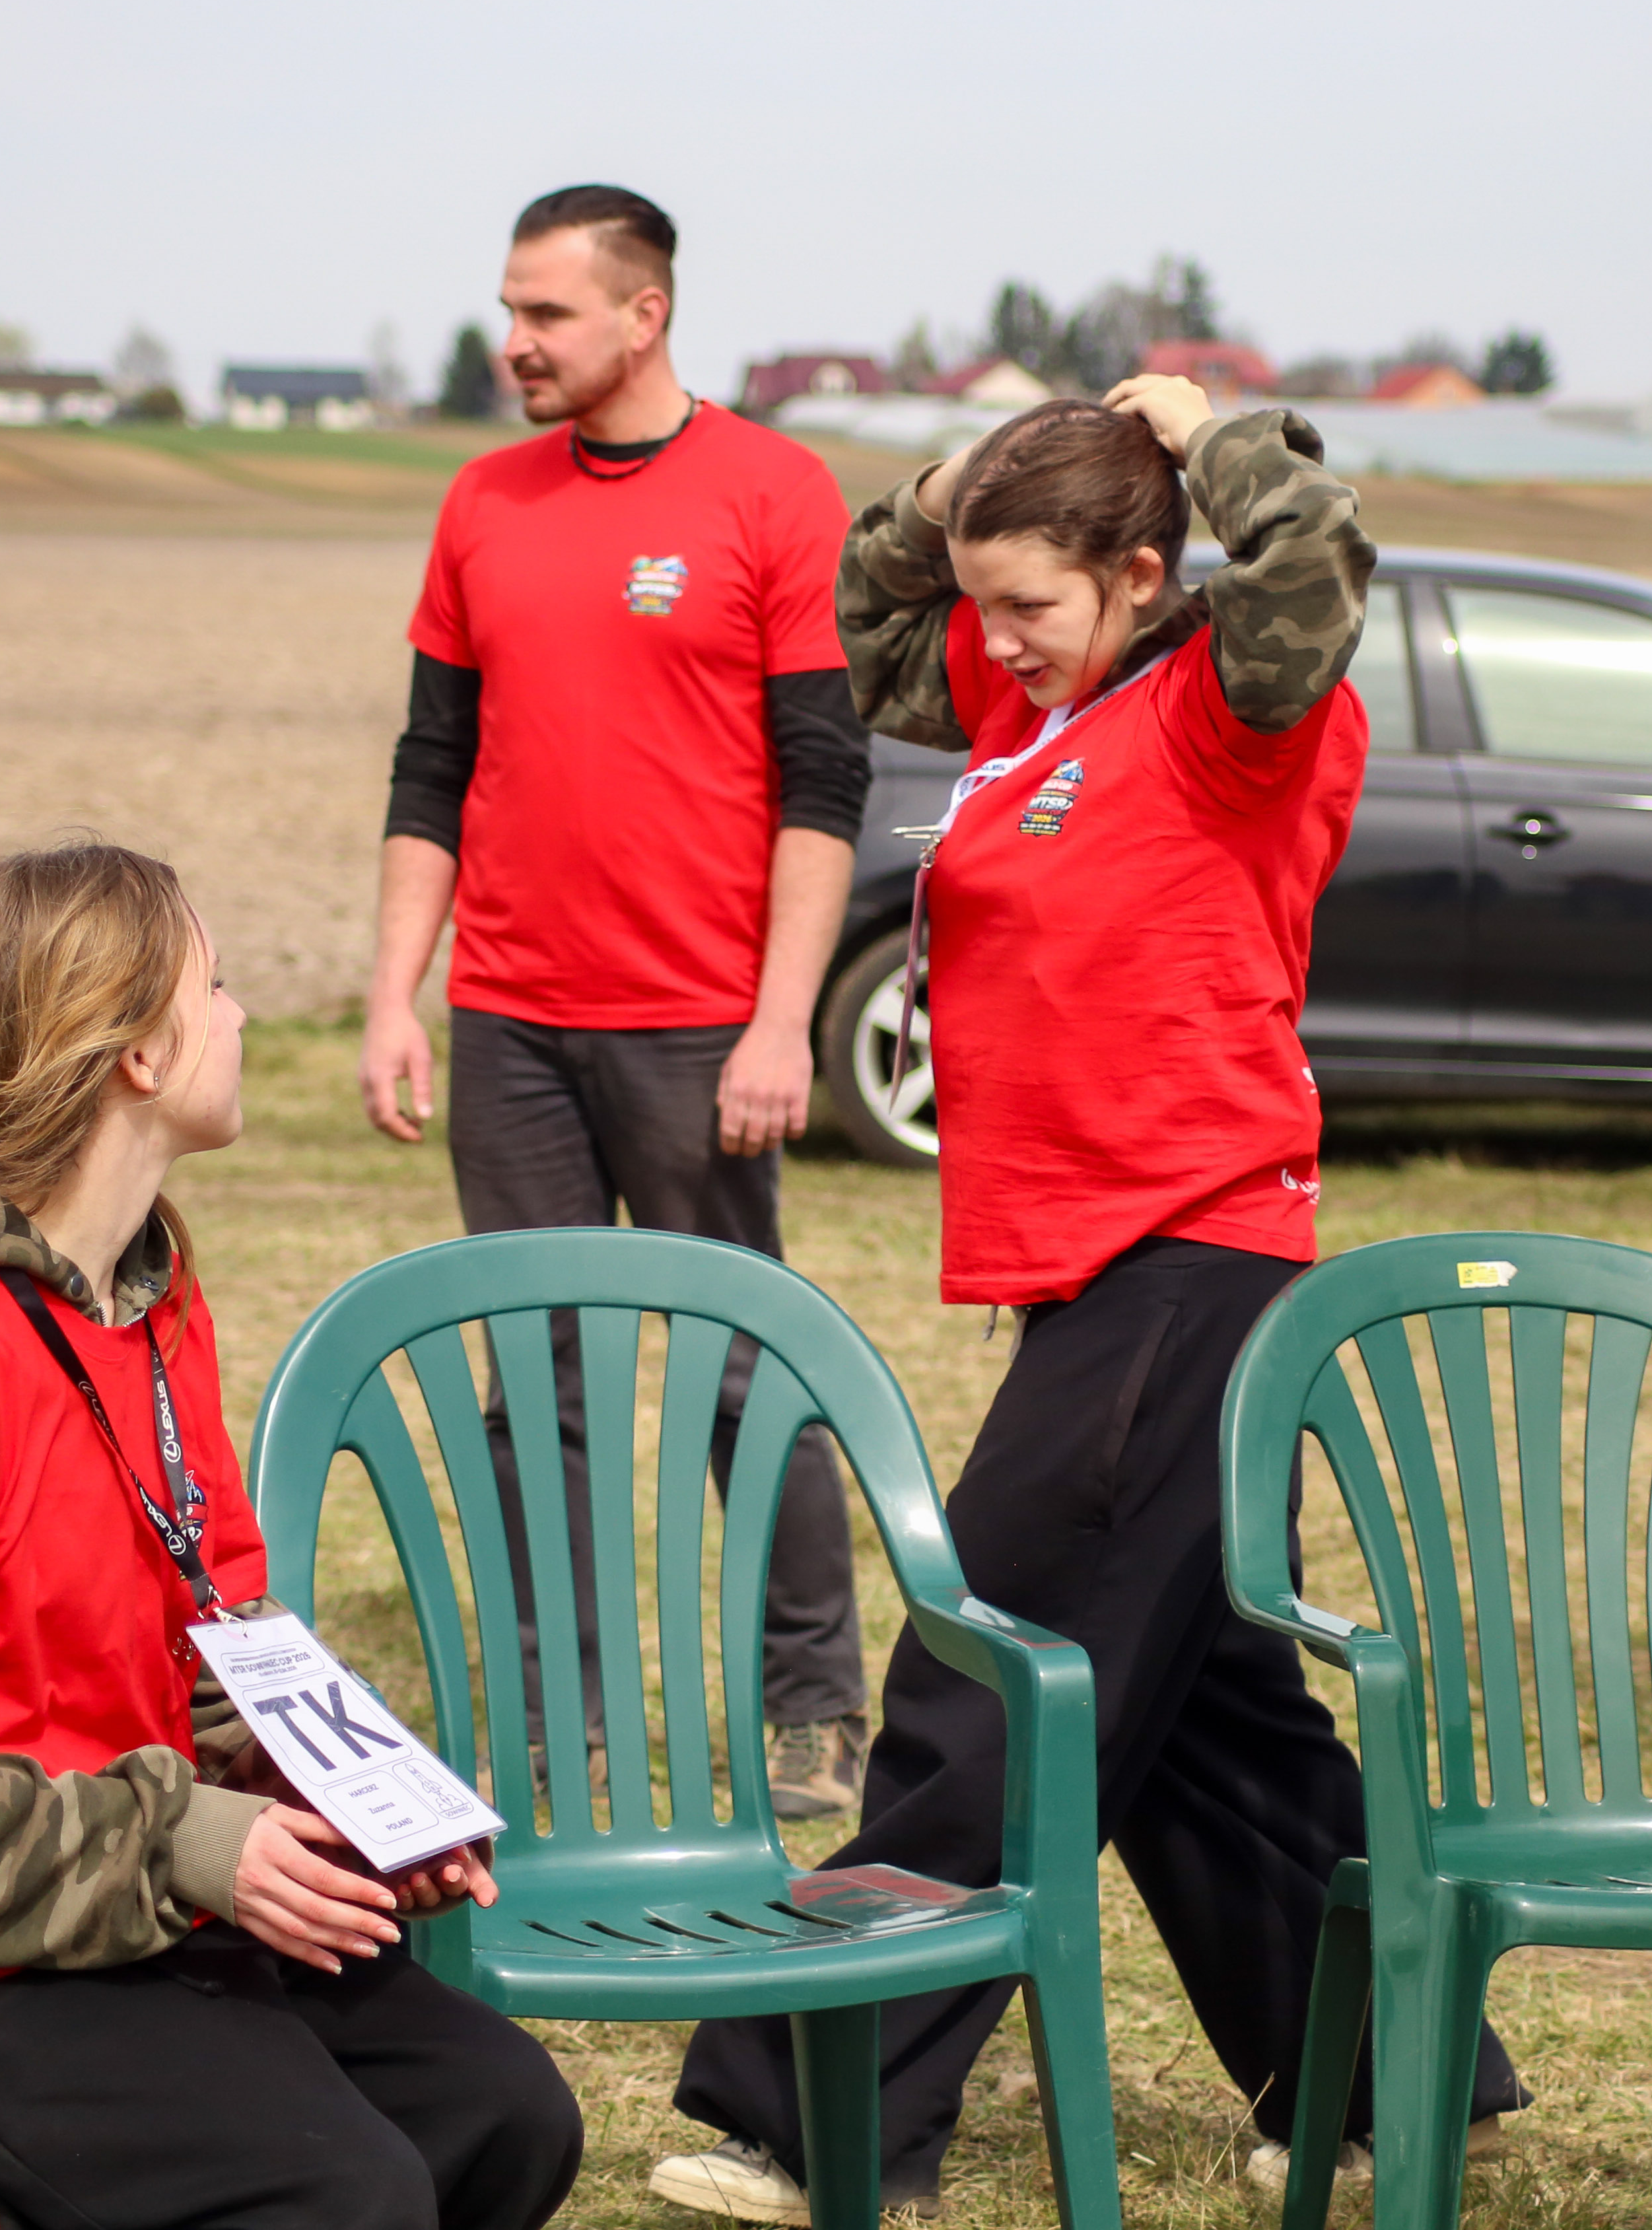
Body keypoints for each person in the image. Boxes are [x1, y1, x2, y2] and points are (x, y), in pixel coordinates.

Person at [647, 382, 1523, 2223]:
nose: (997, 638)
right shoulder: (1033, 697)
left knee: (993, 1670)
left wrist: (1218, 434)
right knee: (1204, 1706)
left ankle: (828, 2118)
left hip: (1190, 1263)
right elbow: (868, 624)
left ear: (1142, 576)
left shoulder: (1232, 716)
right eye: (993, 602)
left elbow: (1311, 570)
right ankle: (1386, 2076)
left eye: (1036, 602)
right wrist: (965, 485)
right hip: (1096, 1273)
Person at [0, 843, 582, 2230]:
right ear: (136, 1052)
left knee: (502, 2118)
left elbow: (215, 1646)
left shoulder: (147, 1298)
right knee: (340, 2190)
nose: (242, 1016)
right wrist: (181, 1840)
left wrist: (355, 1810)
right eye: (220, 983)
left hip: (140, 1913)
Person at [360, 184, 876, 1820]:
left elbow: (825, 779)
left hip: (701, 1023)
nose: (513, 342)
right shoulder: (482, 502)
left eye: (547, 314)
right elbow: (430, 768)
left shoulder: (776, 495)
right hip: (513, 1020)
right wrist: (397, 999)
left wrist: (784, 1018)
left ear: (643, 315)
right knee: (535, 1378)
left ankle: (813, 1703)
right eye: (509, 312)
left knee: (746, 1365)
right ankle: (557, 1715)